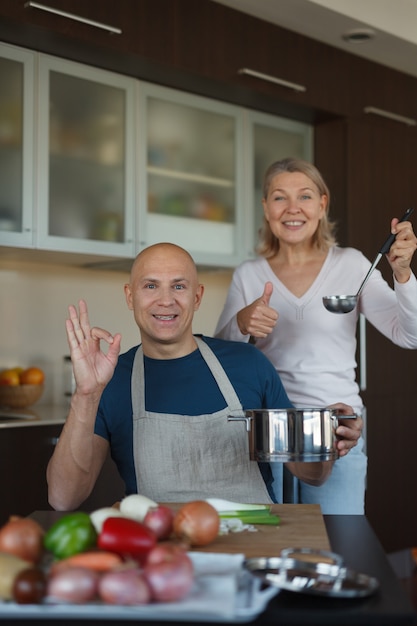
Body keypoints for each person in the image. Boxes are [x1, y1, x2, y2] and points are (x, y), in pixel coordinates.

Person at [47, 242, 361, 511]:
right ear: (130, 297)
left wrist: (327, 438)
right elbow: (64, 498)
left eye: (179, 286)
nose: (166, 300)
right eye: (151, 285)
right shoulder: (111, 381)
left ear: (197, 296)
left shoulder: (248, 364)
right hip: (161, 557)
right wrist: (85, 395)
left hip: (254, 550)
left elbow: (312, 474)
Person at [215, 157, 417, 515]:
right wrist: (242, 323)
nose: (292, 209)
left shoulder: (352, 265)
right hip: (268, 430)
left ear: (322, 204)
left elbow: (410, 336)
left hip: (338, 430)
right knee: (270, 545)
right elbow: (221, 358)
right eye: (279, 198)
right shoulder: (248, 274)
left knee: (336, 544)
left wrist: (403, 274)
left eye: (305, 196)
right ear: (265, 207)